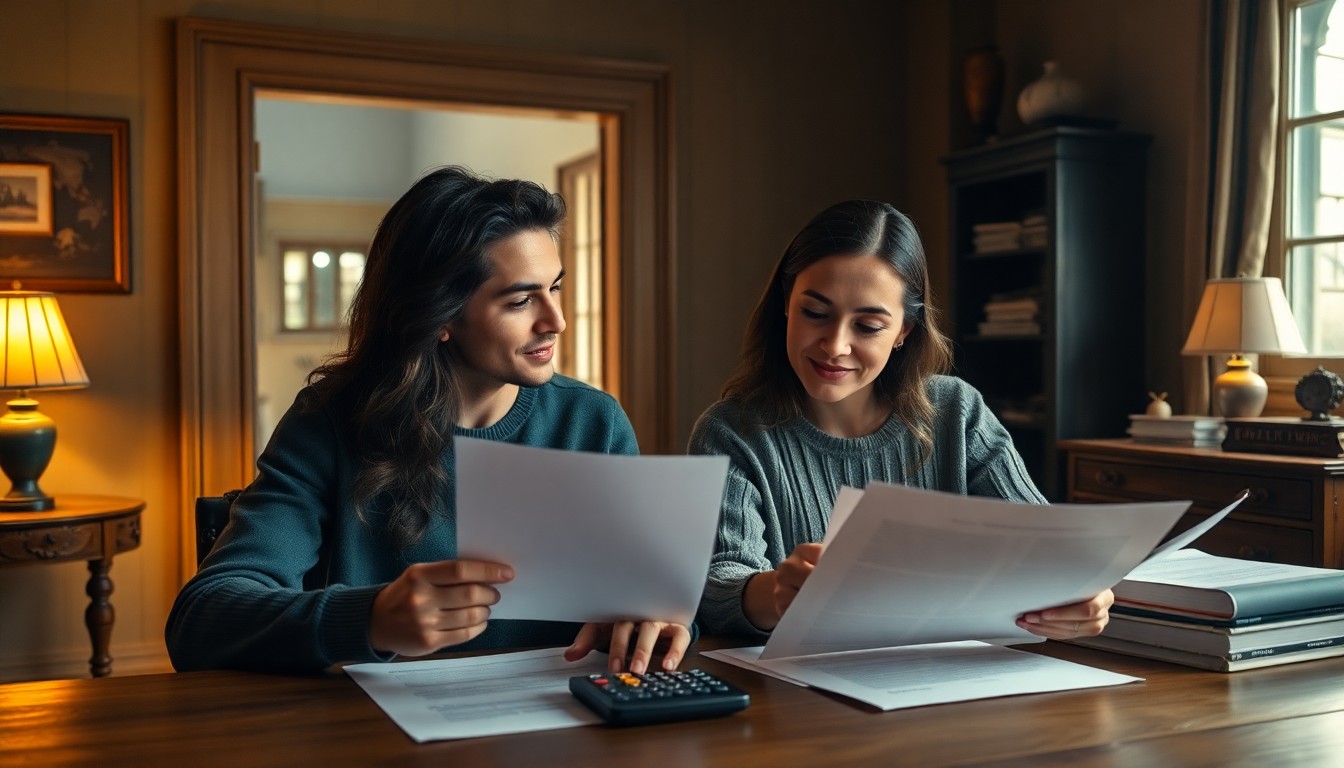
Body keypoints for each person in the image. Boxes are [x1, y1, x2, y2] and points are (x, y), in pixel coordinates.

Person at [167, 166, 688, 674]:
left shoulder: (592, 423)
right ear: (441, 316)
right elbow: (202, 617)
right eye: (521, 299)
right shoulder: (328, 423)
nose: (556, 320)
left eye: (555, 288)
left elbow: (653, 607)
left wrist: (659, 615)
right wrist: (369, 620)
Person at [689, 199, 1113, 640]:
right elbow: (717, 584)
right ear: (785, 305)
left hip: (957, 680)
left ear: (903, 332)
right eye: (814, 313)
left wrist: (1080, 591)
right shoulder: (731, 431)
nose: (835, 345)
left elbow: (1042, 546)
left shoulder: (957, 413)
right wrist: (775, 591)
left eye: (868, 326)